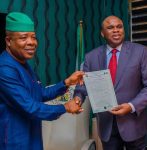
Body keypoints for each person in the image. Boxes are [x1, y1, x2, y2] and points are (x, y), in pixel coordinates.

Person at [0, 12, 84, 150]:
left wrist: (66, 82)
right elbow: (30, 107)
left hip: (33, 137)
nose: (31, 42)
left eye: (33, 37)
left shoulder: (23, 64)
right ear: (9, 41)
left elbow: (40, 93)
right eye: (23, 37)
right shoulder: (4, 69)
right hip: (14, 141)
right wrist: (65, 107)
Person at [74, 15, 147, 150]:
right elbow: (84, 85)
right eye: (110, 27)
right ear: (102, 33)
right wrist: (78, 98)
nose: (116, 30)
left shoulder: (141, 52)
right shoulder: (91, 57)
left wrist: (131, 106)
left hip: (133, 123)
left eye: (119, 27)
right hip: (106, 126)